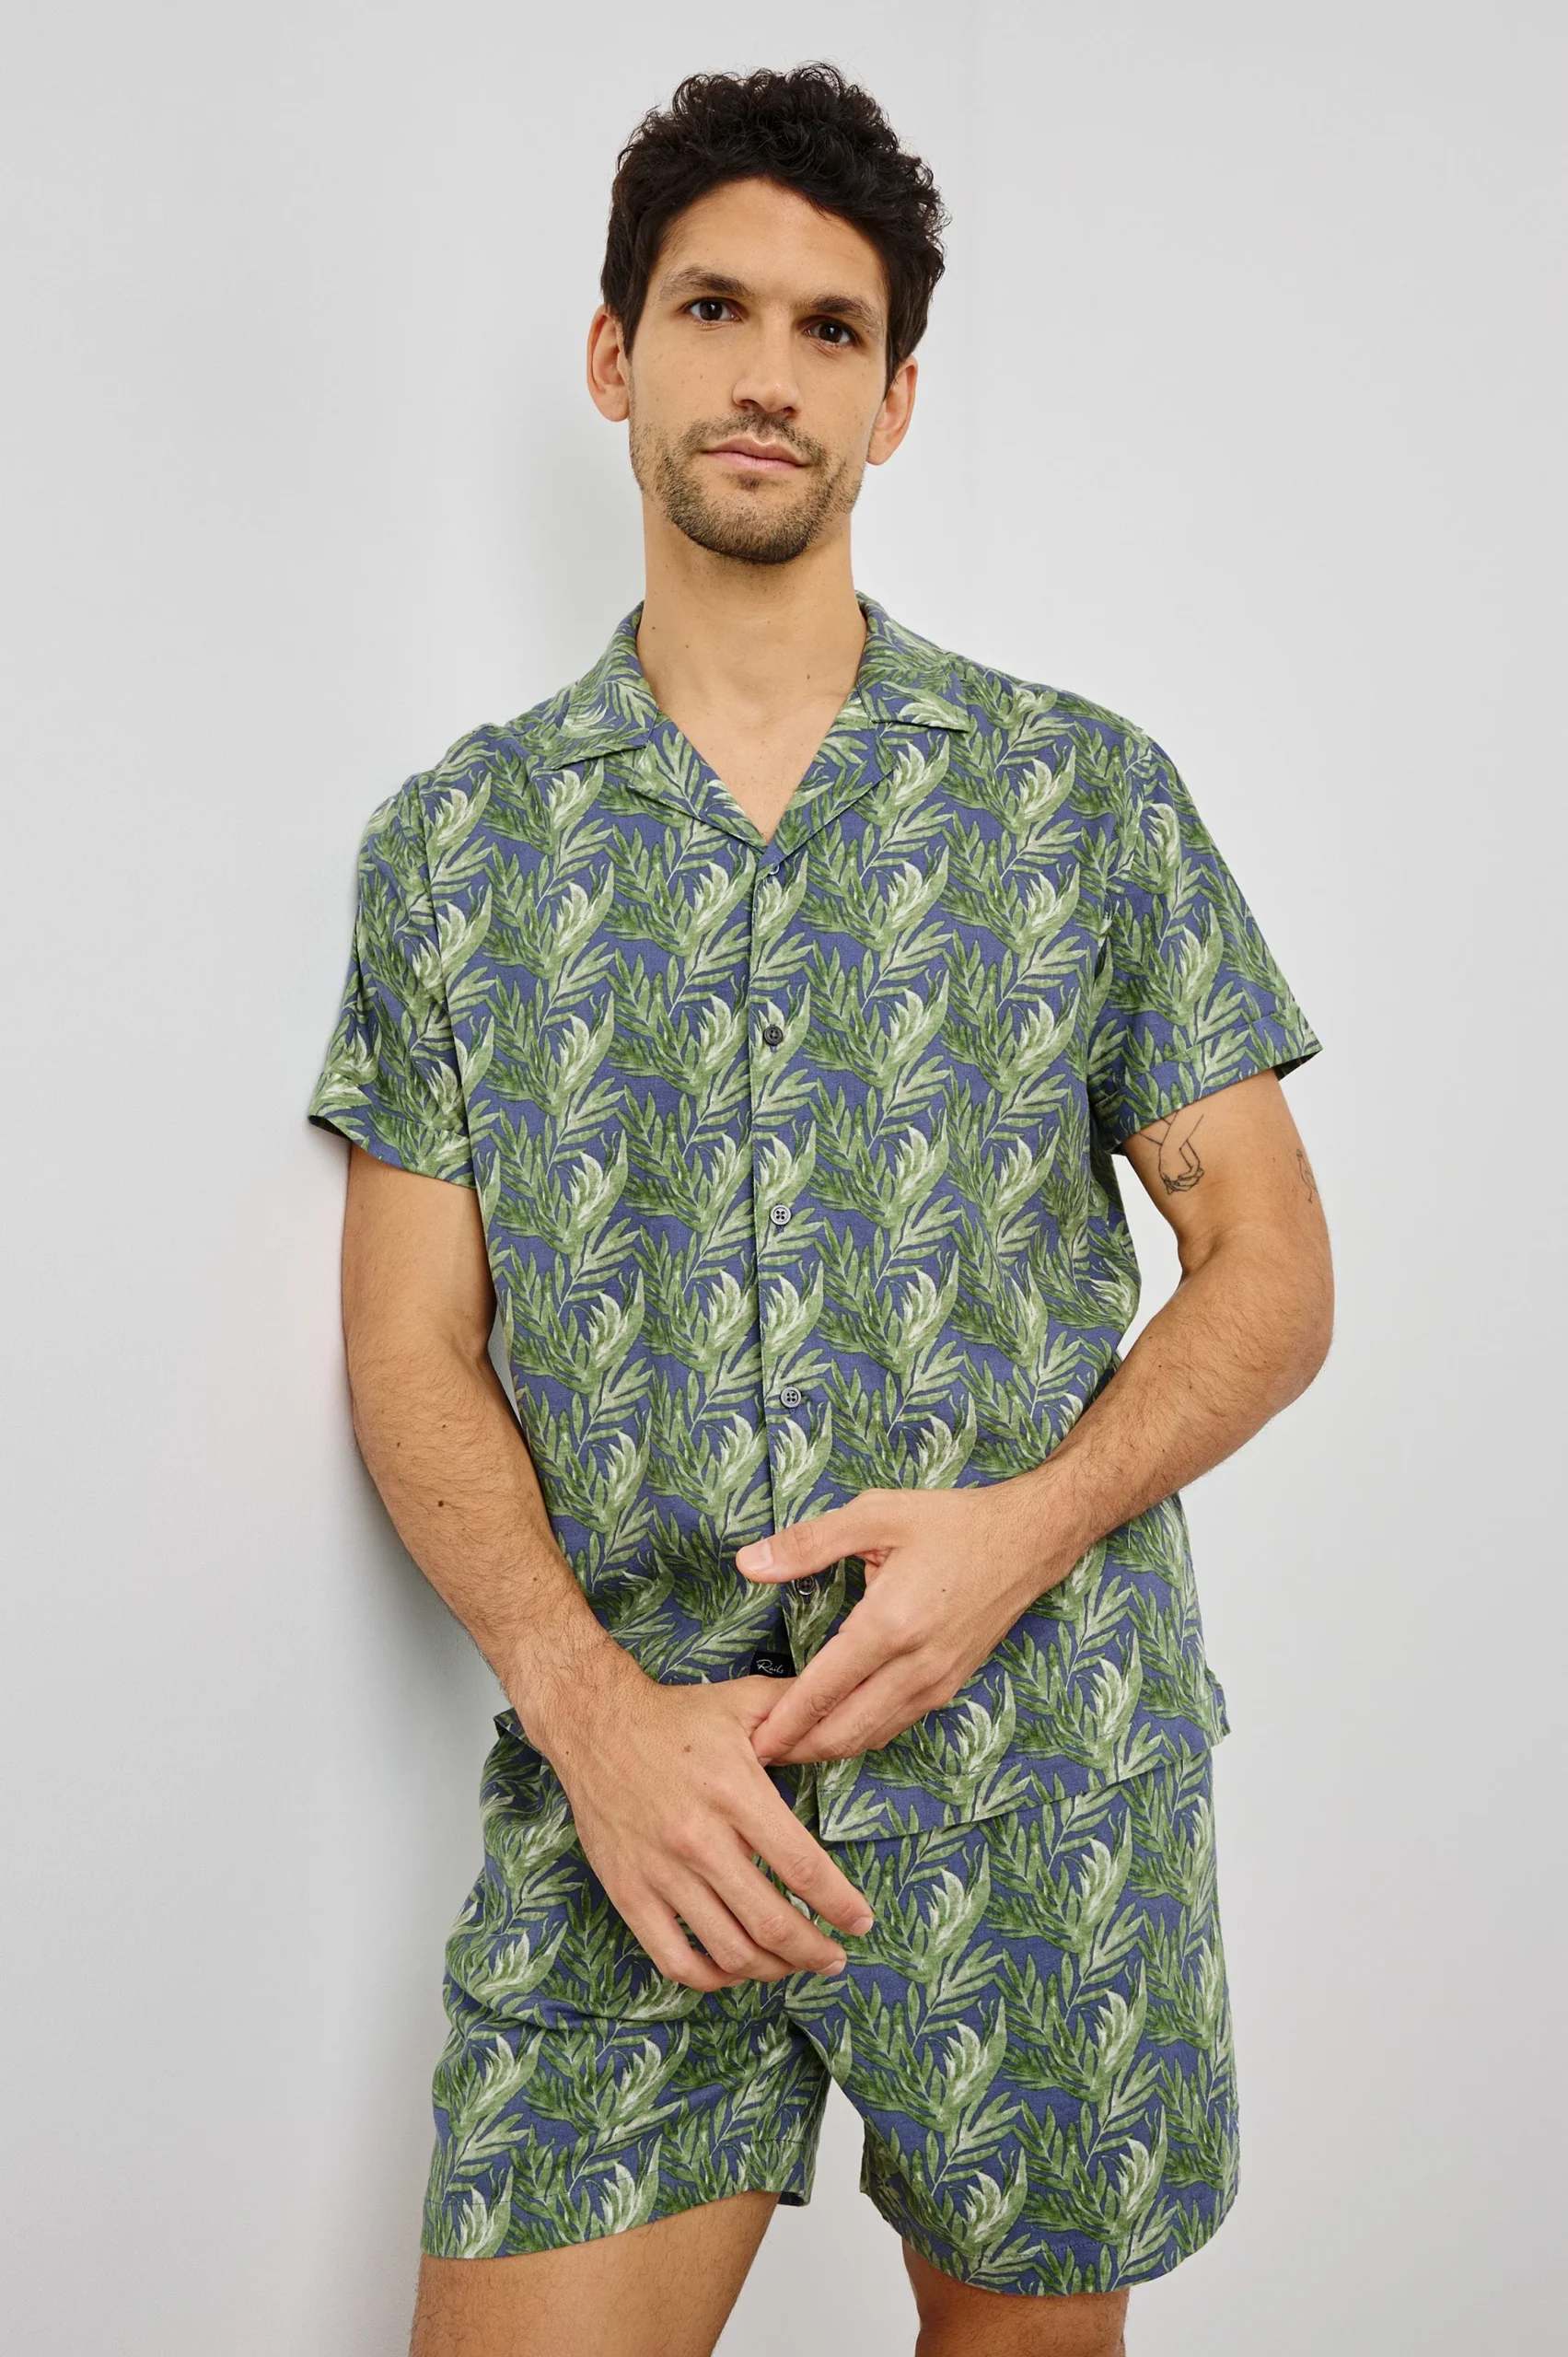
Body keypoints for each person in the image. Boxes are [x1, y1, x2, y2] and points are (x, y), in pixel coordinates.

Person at [308, 62, 1331, 2357]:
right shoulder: (456, 853)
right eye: (711, 309)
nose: (767, 371)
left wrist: (1019, 1532)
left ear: (892, 398)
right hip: (645, 1789)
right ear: (614, 356)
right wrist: (584, 1710)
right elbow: (406, 1344)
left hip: (1036, 1775)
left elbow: (1269, 1268)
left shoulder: (1082, 801)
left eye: (828, 328)